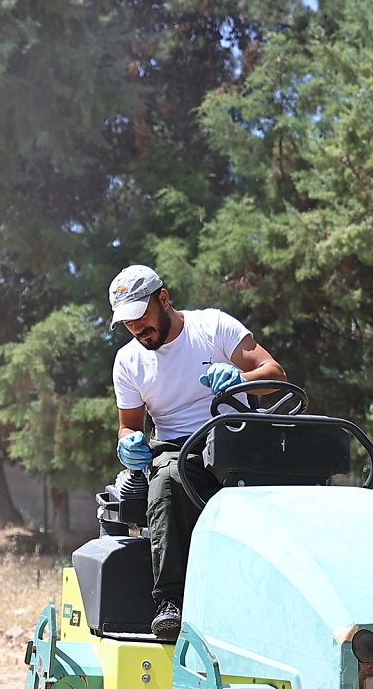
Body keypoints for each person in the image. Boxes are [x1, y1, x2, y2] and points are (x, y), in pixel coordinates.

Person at [109, 264, 287, 642]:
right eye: (127, 324)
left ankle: (281, 602)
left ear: (164, 298)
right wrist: (128, 443)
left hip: (236, 440)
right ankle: (171, 601)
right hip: (179, 449)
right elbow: (130, 425)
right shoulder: (128, 361)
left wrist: (242, 379)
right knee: (169, 479)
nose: (137, 330)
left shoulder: (213, 327)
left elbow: (275, 373)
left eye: (141, 317)